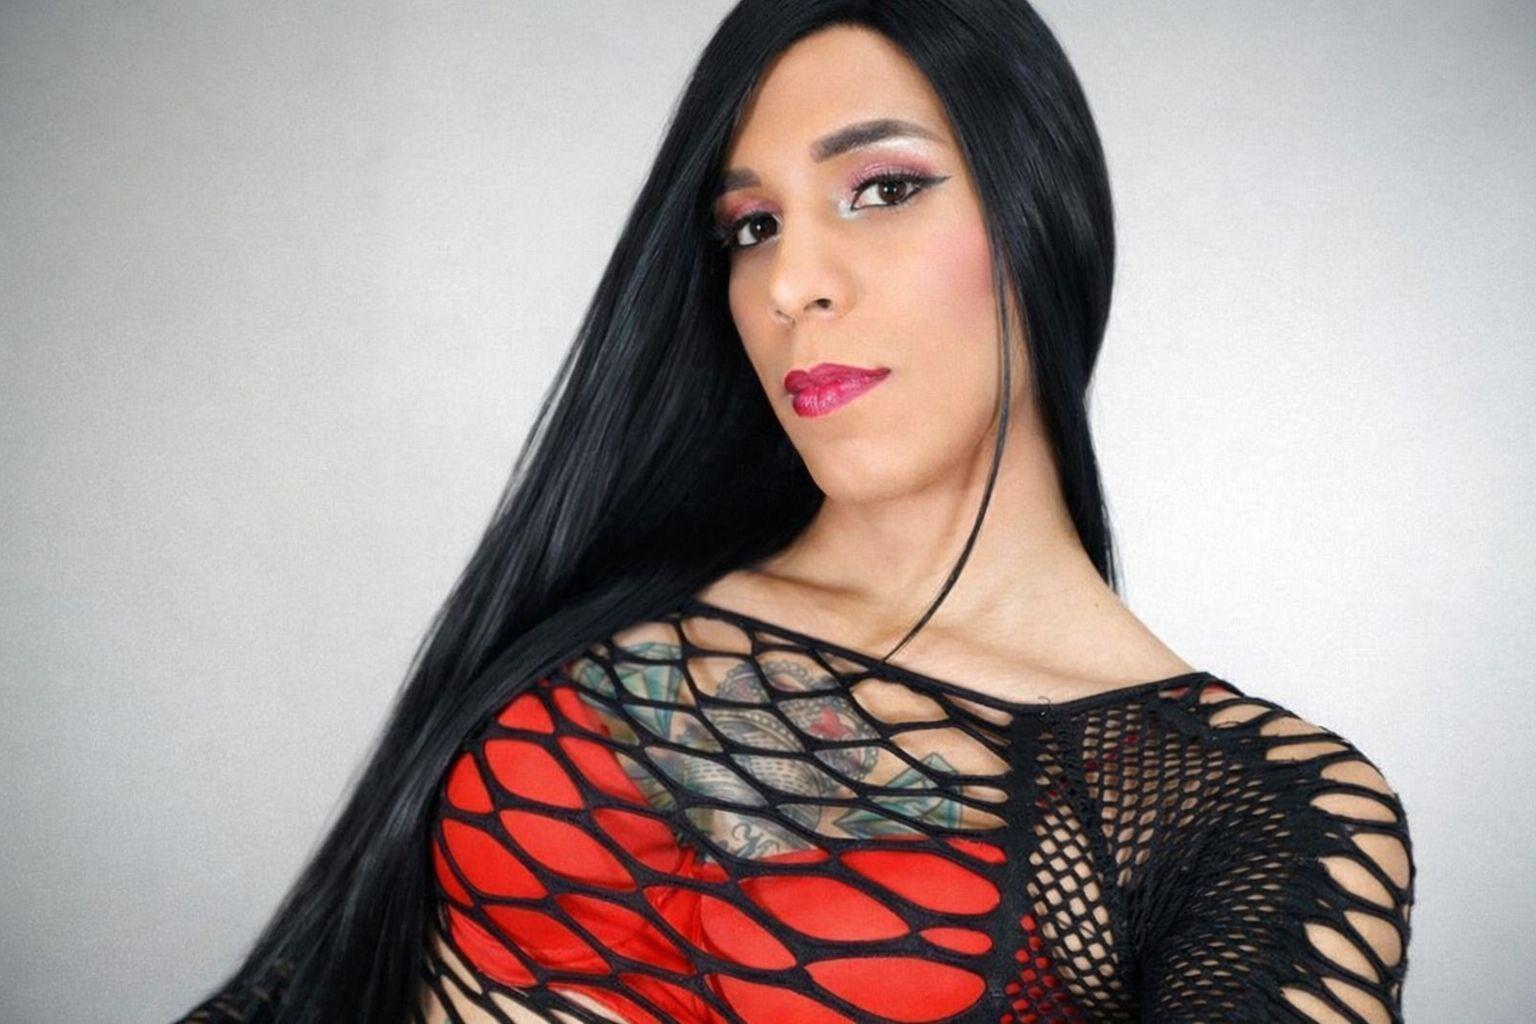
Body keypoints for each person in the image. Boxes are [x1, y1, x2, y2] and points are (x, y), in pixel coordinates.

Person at [175, 3, 1415, 1023]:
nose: (790, 282)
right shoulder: (608, 589)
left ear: (1044, 213)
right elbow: (299, 986)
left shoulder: (1243, 811)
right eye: (752, 226)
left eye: (882, 188)